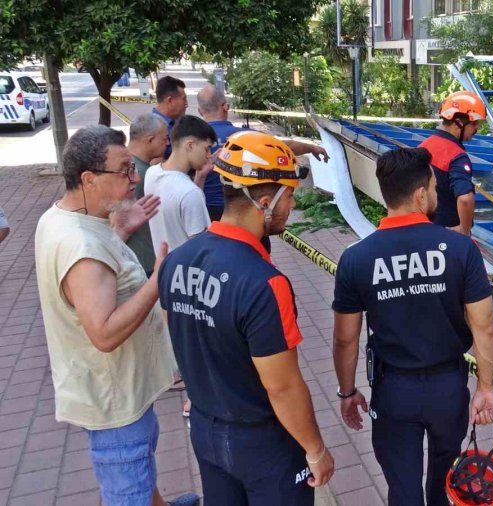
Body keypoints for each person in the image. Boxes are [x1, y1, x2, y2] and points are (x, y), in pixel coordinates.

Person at [157, 131, 334, 505]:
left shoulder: (175, 261)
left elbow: (180, 332)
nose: (293, 205)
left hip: (206, 431)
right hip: (264, 445)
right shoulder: (265, 283)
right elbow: (283, 387)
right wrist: (316, 450)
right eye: (289, 196)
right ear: (265, 203)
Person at [34, 125, 198, 506]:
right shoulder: (82, 246)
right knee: (129, 485)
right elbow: (104, 333)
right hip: (115, 403)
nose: (134, 178)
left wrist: (118, 232)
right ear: (88, 180)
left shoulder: (64, 219)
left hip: (117, 390)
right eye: (124, 170)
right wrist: (157, 281)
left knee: (140, 469)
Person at [332, 147, 493, 505]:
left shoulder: (356, 258)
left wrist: (347, 392)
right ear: (421, 194)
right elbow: (485, 327)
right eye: (435, 189)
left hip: (393, 390)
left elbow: (345, 339)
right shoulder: (460, 249)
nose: (438, 196)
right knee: (443, 482)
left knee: (403, 489)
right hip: (448, 388)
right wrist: (485, 387)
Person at [195, 83, 329, 237]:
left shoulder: (192, 143)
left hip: (209, 210)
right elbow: (281, 147)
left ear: (199, 111)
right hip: (248, 211)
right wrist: (312, 148)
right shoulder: (244, 137)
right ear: (226, 106)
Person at [144, 115, 215, 254]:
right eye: (207, 149)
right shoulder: (190, 193)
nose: (209, 155)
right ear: (190, 145)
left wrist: (200, 177)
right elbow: (200, 250)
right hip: (186, 267)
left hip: (163, 263)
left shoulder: (151, 173)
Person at [419, 91, 486, 236]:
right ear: (459, 123)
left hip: (423, 230)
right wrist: (464, 230)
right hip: (446, 236)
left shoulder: (423, 146)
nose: (477, 128)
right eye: (474, 123)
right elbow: (465, 199)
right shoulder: (457, 156)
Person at [126, 113, 168, 276]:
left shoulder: (124, 166)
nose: (167, 143)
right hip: (144, 261)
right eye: (164, 139)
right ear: (150, 140)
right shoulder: (141, 174)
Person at [152, 76, 188, 159]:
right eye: (183, 99)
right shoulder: (153, 129)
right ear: (170, 100)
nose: (186, 104)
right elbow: (155, 162)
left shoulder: (177, 121)